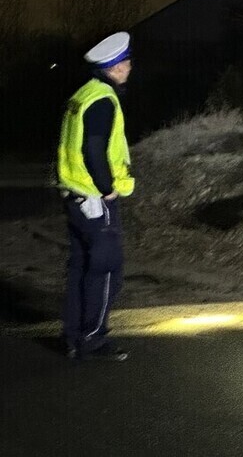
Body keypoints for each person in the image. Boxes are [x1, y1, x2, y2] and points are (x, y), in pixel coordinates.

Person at [56, 31, 135, 361]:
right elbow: (94, 148)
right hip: (94, 199)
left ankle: (74, 337)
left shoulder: (83, 94)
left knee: (80, 266)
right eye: (127, 62)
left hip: (73, 193)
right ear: (115, 67)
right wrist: (108, 188)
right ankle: (93, 339)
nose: (130, 67)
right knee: (105, 271)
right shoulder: (103, 99)